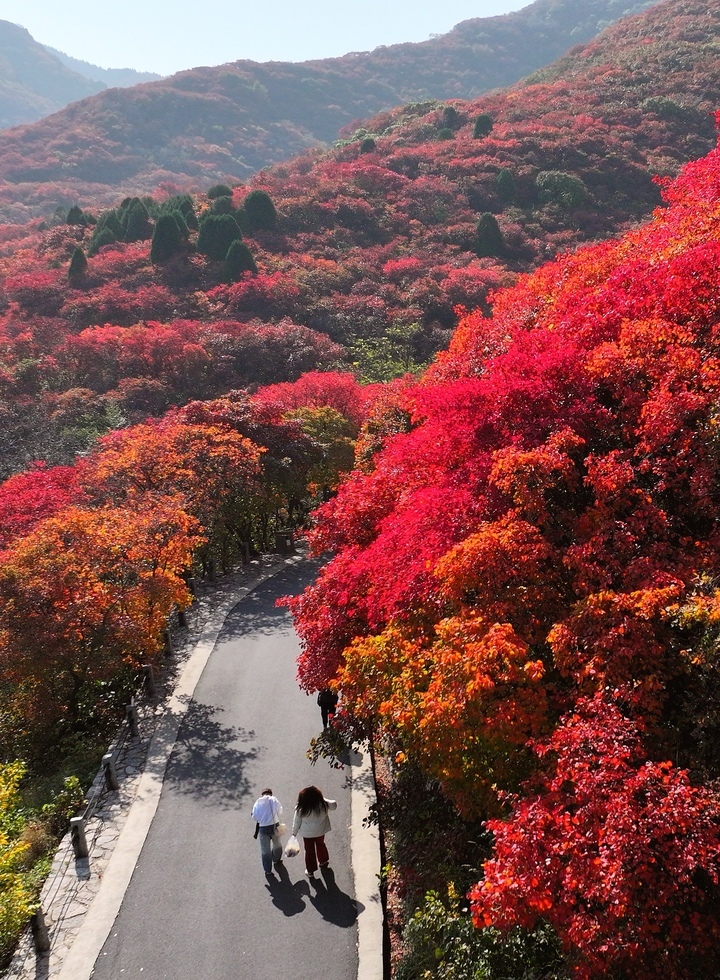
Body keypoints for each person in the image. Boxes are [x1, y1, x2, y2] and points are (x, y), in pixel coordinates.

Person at [291, 785, 337, 879]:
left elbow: (297, 821)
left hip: (307, 834)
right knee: (321, 844)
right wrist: (323, 799)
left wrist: (294, 833)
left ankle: (310, 870)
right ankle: (323, 861)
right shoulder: (323, 805)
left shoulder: (301, 808)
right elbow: (334, 805)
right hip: (320, 831)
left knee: (309, 850)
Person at [251, 787, 283, 875]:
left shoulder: (258, 802)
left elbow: (254, 816)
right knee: (277, 844)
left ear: (262, 794)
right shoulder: (273, 799)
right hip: (274, 826)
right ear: (270, 793)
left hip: (263, 828)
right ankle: (276, 859)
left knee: (265, 850)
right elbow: (280, 811)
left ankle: (268, 870)